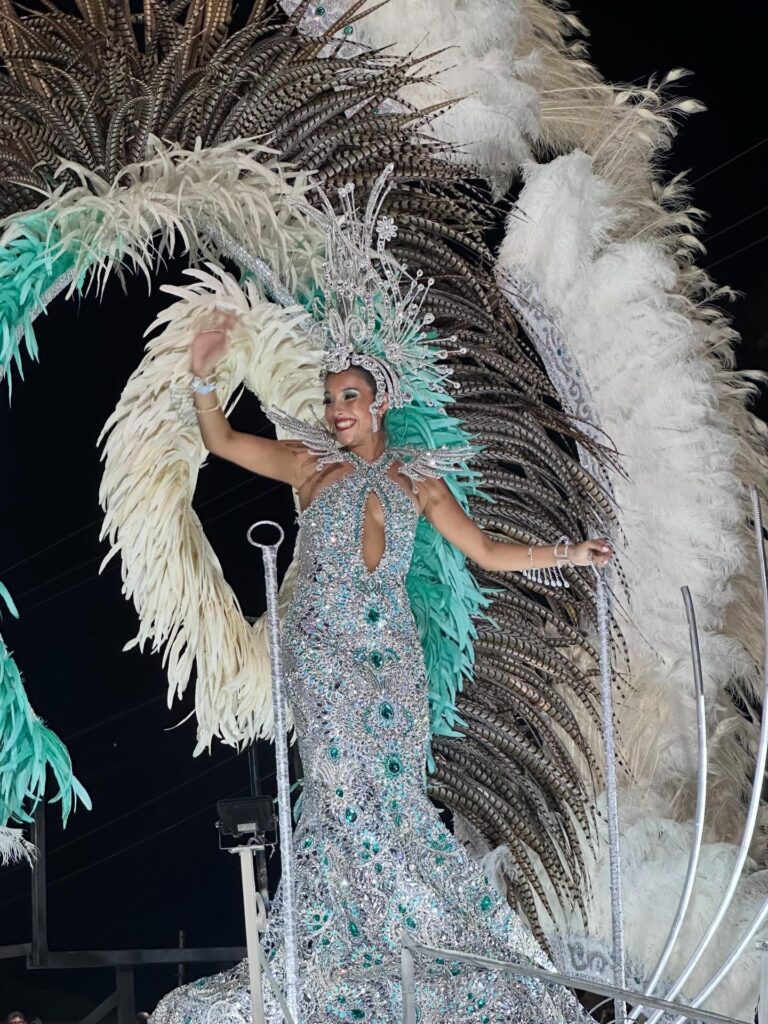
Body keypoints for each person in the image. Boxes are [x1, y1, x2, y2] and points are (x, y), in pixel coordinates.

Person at [152, 178, 612, 1024]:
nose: (336, 411)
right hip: (320, 652)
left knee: (391, 800)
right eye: (330, 399)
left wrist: (567, 553)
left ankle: (424, 947)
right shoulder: (308, 468)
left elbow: (485, 551)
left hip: (391, 662)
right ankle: (349, 948)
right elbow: (219, 440)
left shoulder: (417, 483)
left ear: (379, 403)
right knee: (338, 785)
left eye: (349, 398)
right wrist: (203, 375)